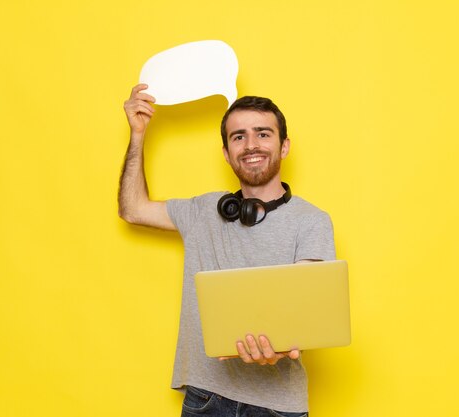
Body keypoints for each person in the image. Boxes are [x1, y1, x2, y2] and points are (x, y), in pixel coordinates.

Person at [118, 83, 336, 417]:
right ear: (226, 152)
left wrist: (278, 347)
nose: (251, 145)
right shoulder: (204, 210)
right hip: (206, 399)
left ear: (284, 145)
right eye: (238, 137)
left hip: (277, 408)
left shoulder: (312, 221)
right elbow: (132, 208)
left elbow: (307, 314)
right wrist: (137, 133)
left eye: (263, 134)